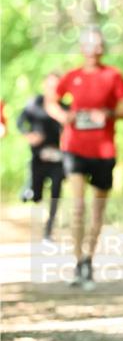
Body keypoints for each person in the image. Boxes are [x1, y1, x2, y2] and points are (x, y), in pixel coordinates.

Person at [45, 27, 123, 289]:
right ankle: (77, 262)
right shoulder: (72, 76)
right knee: (78, 206)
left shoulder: (113, 76)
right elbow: (51, 102)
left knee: (97, 210)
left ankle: (88, 260)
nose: (94, 49)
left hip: (104, 150)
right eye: (89, 45)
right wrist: (64, 117)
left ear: (103, 48)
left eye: (98, 45)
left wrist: (108, 114)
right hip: (74, 147)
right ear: (82, 49)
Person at [17, 73, 65, 242]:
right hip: (38, 157)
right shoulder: (34, 104)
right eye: (50, 86)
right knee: (36, 195)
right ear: (45, 86)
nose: (53, 90)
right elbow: (20, 121)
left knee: (56, 193)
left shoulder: (64, 108)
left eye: (57, 86)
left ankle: (48, 229)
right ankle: (29, 187)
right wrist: (28, 134)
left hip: (58, 159)